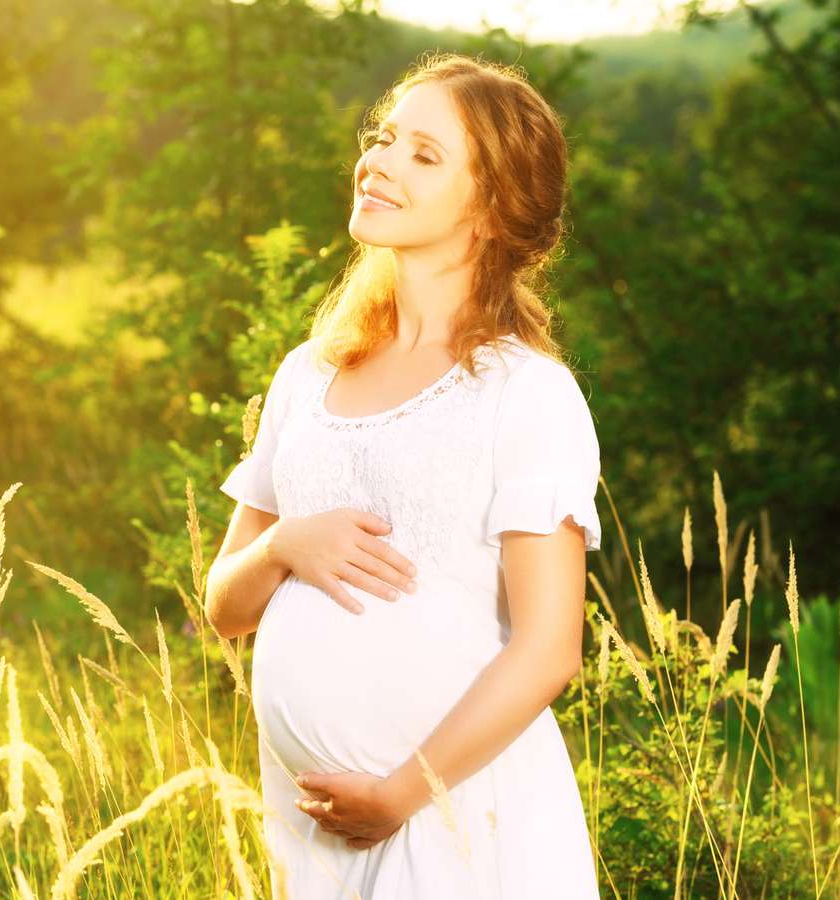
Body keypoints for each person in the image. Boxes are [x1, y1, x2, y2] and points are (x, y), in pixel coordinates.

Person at [205, 52, 604, 899]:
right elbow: (224, 609)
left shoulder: (526, 393)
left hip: (465, 823)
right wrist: (282, 545)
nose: (378, 161)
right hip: (320, 841)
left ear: (492, 209)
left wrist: (400, 794)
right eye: (385, 138)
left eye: (424, 154)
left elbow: (548, 649)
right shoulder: (307, 376)